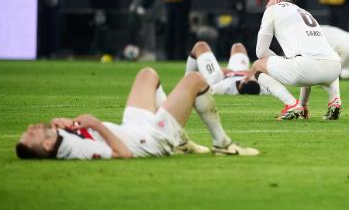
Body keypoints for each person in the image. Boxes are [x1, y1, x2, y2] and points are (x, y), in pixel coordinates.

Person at [15, 67, 259, 159]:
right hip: (149, 140)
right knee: (194, 80)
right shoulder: (75, 151)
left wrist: (67, 124)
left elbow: (74, 133)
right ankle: (223, 143)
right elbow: (123, 154)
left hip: (131, 128)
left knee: (147, 75)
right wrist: (95, 124)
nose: (30, 129)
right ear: (47, 145)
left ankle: (182, 141)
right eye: (31, 136)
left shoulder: (57, 139)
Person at [251, 0, 343, 120]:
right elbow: (310, 58)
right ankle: (334, 99)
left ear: (277, 1)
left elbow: (261, 52)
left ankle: (291, 104)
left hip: (305, 67)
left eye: (268, 0)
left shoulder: (272, 10)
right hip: (334, 69)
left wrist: (283, 61)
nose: (266, 5)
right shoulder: (305, 12)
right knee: (314, 59)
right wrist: (304, 104)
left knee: (257, 66)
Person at [186, 41, 299, 116]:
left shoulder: (223, 88)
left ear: (243, 81)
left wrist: (221, 71)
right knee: (238, 46)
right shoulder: (264, 88)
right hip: (239, 72)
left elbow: (204, 83)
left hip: (220, 77)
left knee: (200, 46)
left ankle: (185, 79)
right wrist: (251, 72)